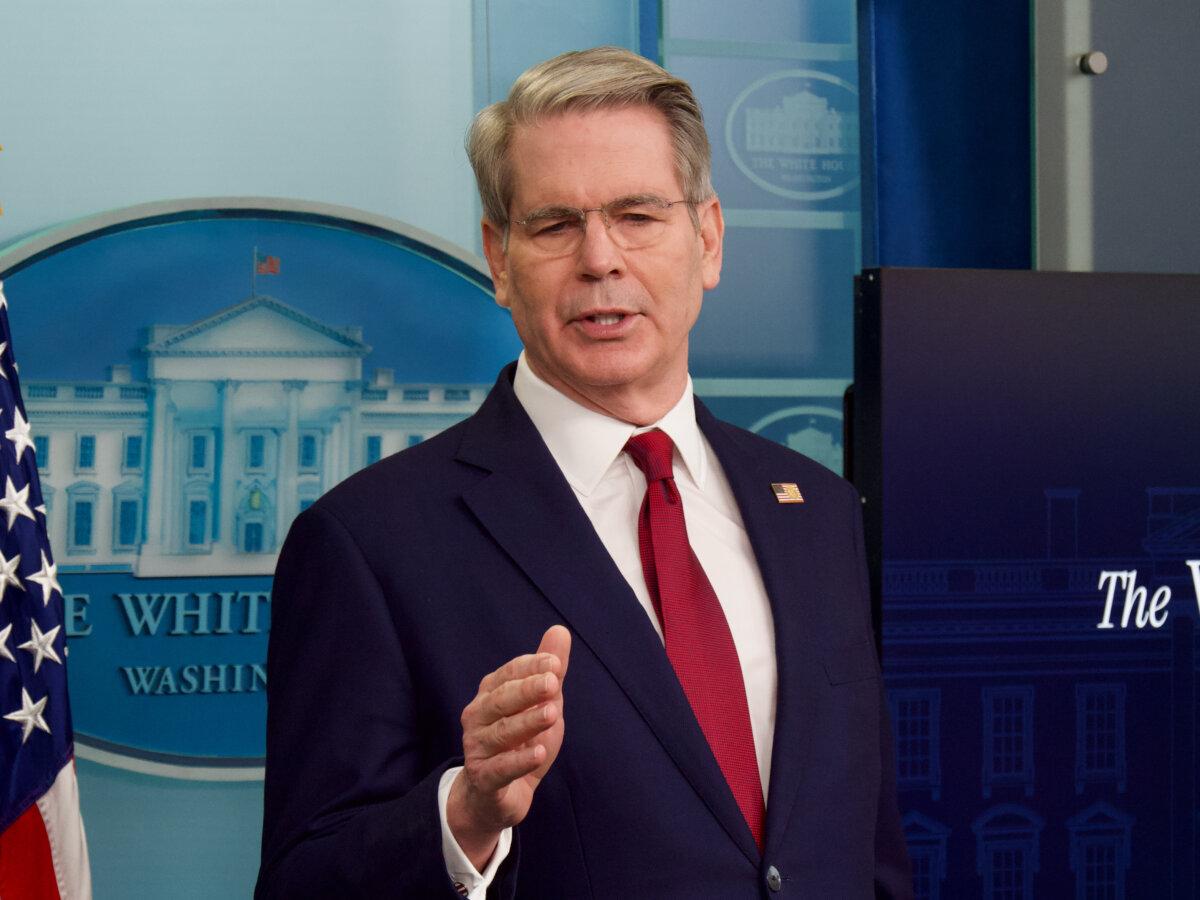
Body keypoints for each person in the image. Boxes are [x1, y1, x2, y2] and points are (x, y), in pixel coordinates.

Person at [256, 46, 911, 899]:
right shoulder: (371, 543)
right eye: (555, 225)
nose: (601, 259)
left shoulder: (818, 511)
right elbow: (305, 882)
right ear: (498, 259)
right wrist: (465, 811)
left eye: (639, 215)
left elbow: (867, 848)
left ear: (707, 240)